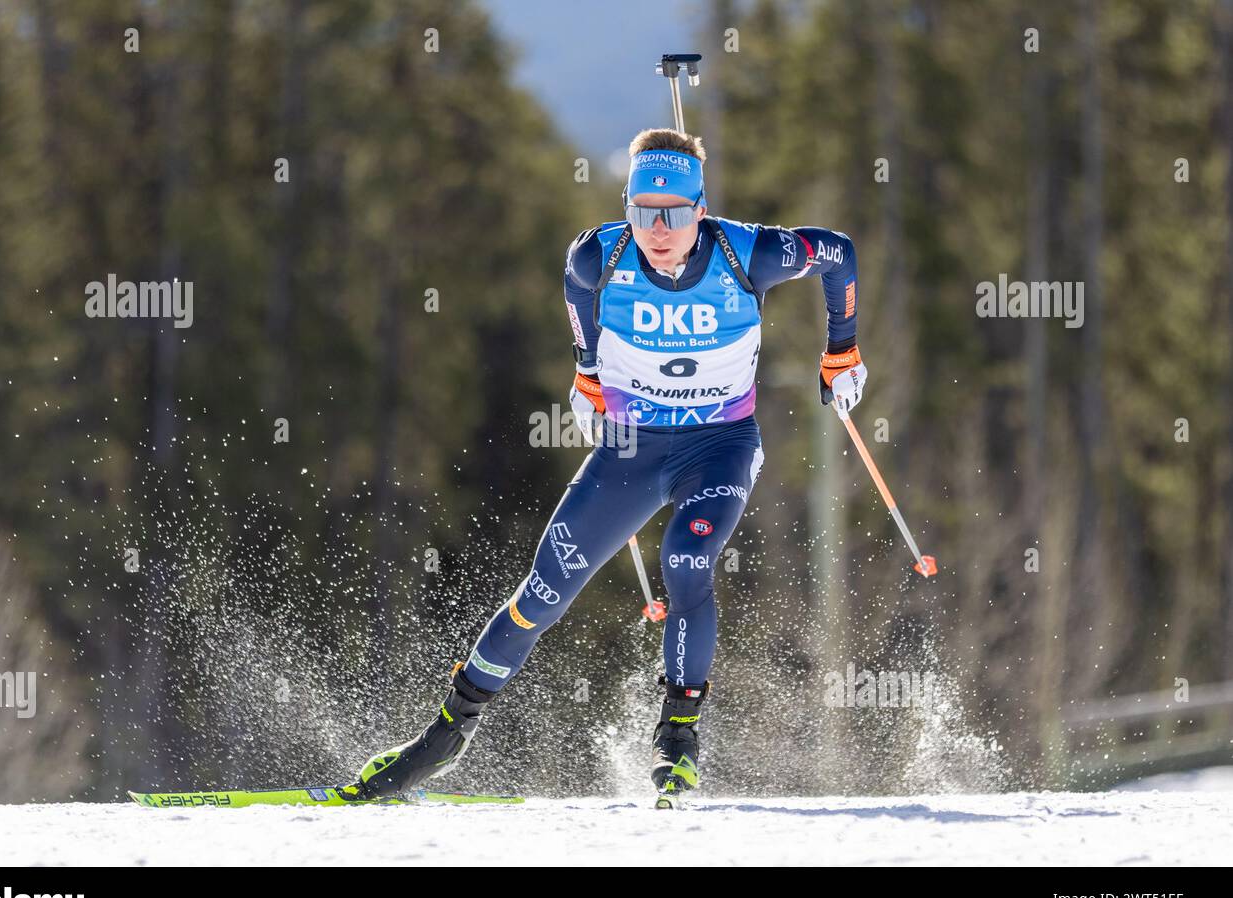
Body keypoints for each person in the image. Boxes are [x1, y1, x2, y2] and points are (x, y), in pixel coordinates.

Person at [340, 128, 866, 804]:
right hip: (632, 449)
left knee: (686, 557)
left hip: (719, 446)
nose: (658, 228)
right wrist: (587, 372)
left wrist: (842, 351)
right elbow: (575, 293)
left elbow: (838, 255)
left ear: (700, 209)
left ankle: (677, 739)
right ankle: (443, 736)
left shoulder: (749, 253)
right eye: (643, 211)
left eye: (674, 212)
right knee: (543, 590)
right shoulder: (598, 256)